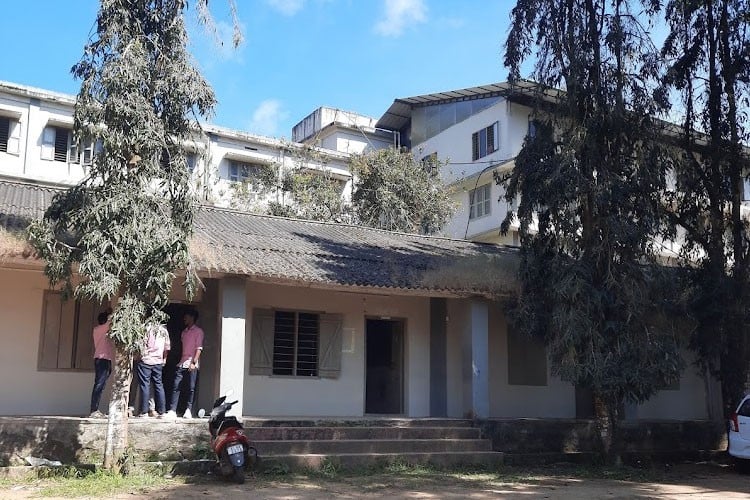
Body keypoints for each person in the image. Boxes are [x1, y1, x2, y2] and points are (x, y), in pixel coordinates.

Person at [165, 309, 204, 419]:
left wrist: (194, 362)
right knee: (176, 385)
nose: (184, 319)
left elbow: (199, 348)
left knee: (191, 388)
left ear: (192, 317)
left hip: (192, 363)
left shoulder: (198, 331)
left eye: (186, 316)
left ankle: (188, 410)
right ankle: (172, 410)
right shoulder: (184, 332)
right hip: (182, 362)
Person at [135, 323, 170, 418]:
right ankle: (162, 411)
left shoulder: (146, 328)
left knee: (145, 386)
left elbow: (141, 344)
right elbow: (167, 347)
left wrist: (138, 357)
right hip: (158, 361)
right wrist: (164, 359)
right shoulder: (163, 330)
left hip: (146, 360)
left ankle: (144, 411)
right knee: (159, 385)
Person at [89, 311, 114, 418]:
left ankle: (95, 409)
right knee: (99, 385)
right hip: (102, 359)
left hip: (103, 359)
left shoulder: (96, 330)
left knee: (101, 384)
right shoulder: (103, 328)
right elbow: (112, 321)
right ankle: (94, 410)